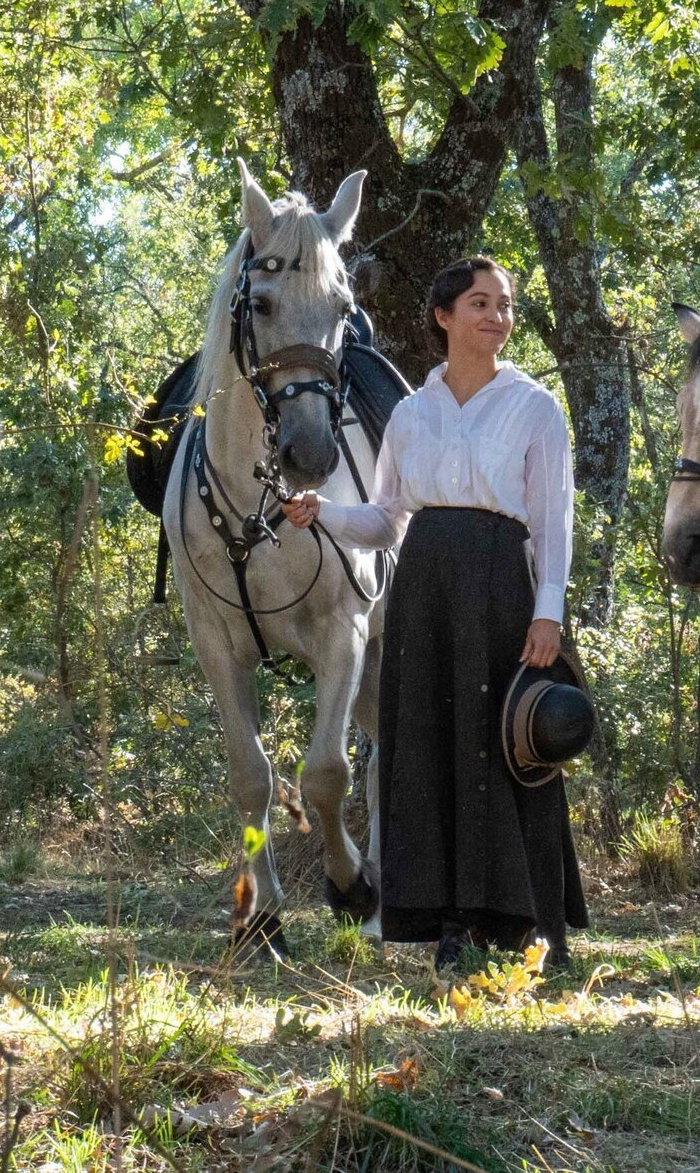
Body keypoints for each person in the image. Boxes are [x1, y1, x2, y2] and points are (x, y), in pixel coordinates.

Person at [283, 256, 588, 971]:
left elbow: (553, 522)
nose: (497, 317)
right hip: (422, 590)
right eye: (480, 303)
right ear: (443, 317)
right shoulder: (411, 414)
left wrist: (549, 612)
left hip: (503, 584)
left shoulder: (535, 406)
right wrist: (322, 515)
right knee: (430, 748)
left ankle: (526, 925)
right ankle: (449, 926)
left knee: (509, 746)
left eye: (505, 305)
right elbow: (389, 519)